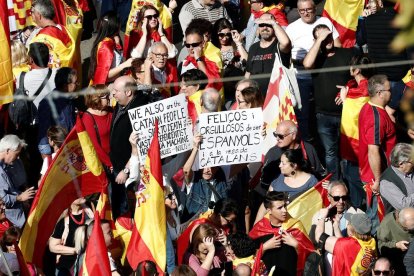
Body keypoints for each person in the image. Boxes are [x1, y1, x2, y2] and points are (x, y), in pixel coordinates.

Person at [303, 24, 354, 180]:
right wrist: (319, 41)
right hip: (323, 115)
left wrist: (348, 88)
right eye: (322, 38)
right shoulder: (315, 59)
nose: (327, 40)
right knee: (330, 153)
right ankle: (335, 185)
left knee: (348, 153)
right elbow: (306, 64)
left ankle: (350, 187)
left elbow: (359, 78)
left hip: (346, 112)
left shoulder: (347, 54)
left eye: (328, 36)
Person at [285, 0, 341, 140]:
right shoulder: (292, 28)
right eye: (302, 10)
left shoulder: (325, 22)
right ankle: (307, 146)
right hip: (300, 73)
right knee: (303, 113)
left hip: (322, 70)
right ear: (298, 11)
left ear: (315, 9)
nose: (306, 13)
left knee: (324, 111)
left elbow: (338, 45)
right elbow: (286, 52)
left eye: (309, 9)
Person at [358, 74, 396, 231]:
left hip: (373, 175)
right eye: (389, 89)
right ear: (380, 93)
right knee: (377, 222)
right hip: (376, 179)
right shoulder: (376, 118)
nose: (391, 92)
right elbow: (373, 151)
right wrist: (379, 182)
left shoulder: (370, 107)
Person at [109, 75, 148, 218]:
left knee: (127, 211)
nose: (113, 94)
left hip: (130, 173)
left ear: (128, 92)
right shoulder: (120, 105)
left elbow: (140, 146)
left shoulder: (140, 113)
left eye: (116, 91)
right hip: (117, 167)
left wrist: (126, 170)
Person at [249, 191, 314, 276]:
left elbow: (311, 255)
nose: (284, 210)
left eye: (285, 206)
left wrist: (296, 245)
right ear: (269, 210)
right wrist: (264, 247)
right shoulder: (259, 228)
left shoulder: (295, 226)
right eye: (279, 208)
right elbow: (249, 258)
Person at [339, 55, 374, 209]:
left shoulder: (363, 89)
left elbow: (354, 112)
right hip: (359, 141)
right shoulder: (354, 85)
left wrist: (345, 98)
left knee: (355, 179)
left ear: (357, 70)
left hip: (358, 143)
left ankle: (360, 208)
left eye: (351, 66)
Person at [309, 181, 364, 275]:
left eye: (344, 197)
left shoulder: (358, 215)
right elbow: (314, 243)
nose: (341, 202)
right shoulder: (318, 216)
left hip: (351, 267)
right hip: (327, 267)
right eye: (336, 198)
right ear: (328, 197)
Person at [177, 198, 238, 265]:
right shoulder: (200, 226)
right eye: (228, 220)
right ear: (219, 215)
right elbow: (195, 252)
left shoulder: (221, 226)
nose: (231, 223)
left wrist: (226, 245)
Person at [315, 211, 377, 276]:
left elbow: (319, 237)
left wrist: (322, 217)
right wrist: (336, 226)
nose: (347, 224)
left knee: (328, 255)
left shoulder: (349, 245)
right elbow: (344, 247)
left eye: (349, 223)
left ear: (351, 231)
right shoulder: (372, 242)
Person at [245, 12, 291, 96]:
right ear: (258, 28)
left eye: (268, 24)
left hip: (277, 96)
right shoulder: (253, 48)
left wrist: (273, 23)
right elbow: (248, 73)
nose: (265, 27)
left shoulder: (279, 45)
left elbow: (286, 43)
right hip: (256, 97)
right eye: (262, 24)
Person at [37, 67, 77, 157]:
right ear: (65, 85)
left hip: (72, 149)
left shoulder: (69, 99)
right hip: (59, 155)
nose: (77, 85)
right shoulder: (47, 104)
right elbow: (43, 137)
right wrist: (48, 162)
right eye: (75, 83)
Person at [49, 197, 93, 275]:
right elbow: (53, 246)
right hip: (66, 268)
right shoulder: (63, 219)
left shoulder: (91, 210)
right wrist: (77, 250)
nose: (81, 194)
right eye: (77, 192)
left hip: (89, 265)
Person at [0, 135, 35, 228]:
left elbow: (21, 182)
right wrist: (19, 198)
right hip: (10, 222)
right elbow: (3, 199)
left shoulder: (10, 164)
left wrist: (26, 194)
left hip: (19, 215)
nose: (18, 157)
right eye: (16, 154)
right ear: (8, 151)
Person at [89, 12, 133, 85]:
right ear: (115, 27)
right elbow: (104, 76)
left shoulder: (110, 40)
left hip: (116, 79)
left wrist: (117, 44)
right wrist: (124, 65)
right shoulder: (105, 47)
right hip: (109, 85)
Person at [29, 0, 75, 68]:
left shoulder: (42, 39)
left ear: (39, 15)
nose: (31, 15)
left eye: (32, 12)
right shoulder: (63, 28)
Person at [15, 42, 57, 109]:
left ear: (31, 59)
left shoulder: (21, 78)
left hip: (34, 118)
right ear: (49, 57)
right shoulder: (59, 73)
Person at [81, 85, 113, 170]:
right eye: (106, 96)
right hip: (102, 162)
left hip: (115, 156)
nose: (109, 98)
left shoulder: (110, 111)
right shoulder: (88, 117)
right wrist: (109, 163)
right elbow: (94, 145)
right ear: (96, 99)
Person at [377, 207, 414, 276]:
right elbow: (381, 246)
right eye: (410, 229)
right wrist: (396, 245)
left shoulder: (410, 215)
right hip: (399, 261)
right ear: (401, 224)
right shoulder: (386, 225)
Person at [380, 143, 414, 213]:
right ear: (401, 164)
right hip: (406, 220)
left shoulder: (410, 169)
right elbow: (404, 206)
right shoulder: (387, 182)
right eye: (412, 161)